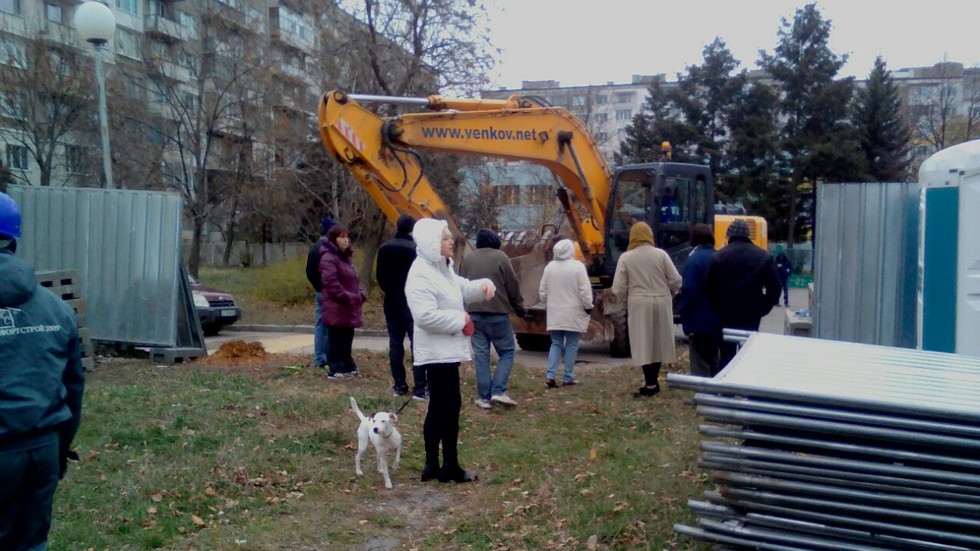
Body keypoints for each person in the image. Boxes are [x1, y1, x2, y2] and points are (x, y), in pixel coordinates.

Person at [0, 191, 85, 550]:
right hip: (43, 450)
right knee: (33, 542)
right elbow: (74, 387)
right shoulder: (56, 309)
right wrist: (61, 448)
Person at [405, 218, 495, 483]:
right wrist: (462, 320)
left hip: (445, 350)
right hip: (436, 353)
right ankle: (448, 467)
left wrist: (483, 286)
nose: (451, 242)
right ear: (433, 243)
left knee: (441, 408)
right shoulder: (420, 273)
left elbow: (460, 287)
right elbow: (424, 317)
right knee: (448, 407)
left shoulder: (441, 268)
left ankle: (434, 466)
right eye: (445, 238)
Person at [611, 222, 681, 398]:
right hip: (661, 300)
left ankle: (650, 383)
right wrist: (669, 294)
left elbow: (618, 287)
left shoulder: (626, 257)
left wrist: (623, 301)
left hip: (639, 302)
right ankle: (653, 382)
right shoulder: (661, 255)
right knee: (658, 342)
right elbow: (676, 280)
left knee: (643, 342)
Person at [458, 228, 525, 409]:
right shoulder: (501, 257)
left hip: (473, 314)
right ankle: (499, 391)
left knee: (481, 355)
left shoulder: (468, 258)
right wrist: (519, 306)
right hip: (497, 313)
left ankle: (484, 398)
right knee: (507, 352)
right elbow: (512, 284)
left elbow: (460, 284)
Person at [704, 218, 781, 368]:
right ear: (748, 236)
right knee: (749, 354)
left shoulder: (718, 257)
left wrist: (718, 308)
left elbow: (708, 289)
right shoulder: (763, 257)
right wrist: (761, 309)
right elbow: (775, 289)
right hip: (751, 314)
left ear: (729, 236)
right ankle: (747, 386)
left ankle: (726, 389)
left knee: (726, 355)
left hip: (726, 315)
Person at [377, 214, 428, 400]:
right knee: (418, 344)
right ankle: (421, 387)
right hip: (413, 302)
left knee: (395, 344)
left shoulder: (384, 249)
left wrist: (391, 290)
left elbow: (380, 277)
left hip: (391, 301)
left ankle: (399, 385)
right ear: (412, 230)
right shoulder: (416, 250)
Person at [538, 239, 593, 388]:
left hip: (555, 312)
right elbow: (584, 290)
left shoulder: (550, 267)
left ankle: (550, 375)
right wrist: (588, 306)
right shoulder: (578, 267)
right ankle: (568, 377)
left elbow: (542, 291)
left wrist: (546, 301)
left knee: (556, 343)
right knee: (571, 345)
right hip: (573, 312)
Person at [318, 223, 365, 379]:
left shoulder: (346, 257)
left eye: (347, 237)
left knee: (346, 338)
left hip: (348, 306)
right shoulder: (328, 257)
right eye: (341, 237)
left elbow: (352, 279)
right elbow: (331, 284)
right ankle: (335, 368)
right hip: (336, 306)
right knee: (336, 339)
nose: (346, 241)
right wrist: (350, 297)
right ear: (334, 239)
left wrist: (360, 293)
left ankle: (347, 366)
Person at [677, 224, 722, 377]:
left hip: (699, 319)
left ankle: (702, 396)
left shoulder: (693, 260)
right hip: (719, 318)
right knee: (714, 359)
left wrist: (682, 310)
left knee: (700, 362)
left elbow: (689, 290)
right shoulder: (719, 256)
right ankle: (715, 394)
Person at [305, 216, 335, 369]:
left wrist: (317, 286)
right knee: (326, 327)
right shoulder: (328, 249)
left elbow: (309, 271)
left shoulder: (315, 248)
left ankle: (321, 357)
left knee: (322, 325)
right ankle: (323, 358)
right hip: (328, 292)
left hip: (320, 291)